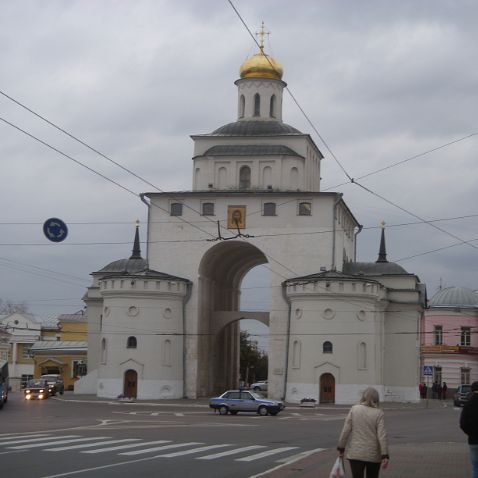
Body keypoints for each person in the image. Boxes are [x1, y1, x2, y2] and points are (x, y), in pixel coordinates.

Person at [337, 387, 389, 478]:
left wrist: (341, 448)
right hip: (373, 454)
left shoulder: (354, 409)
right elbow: (382, 435)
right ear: (376, 399)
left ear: (363, 397)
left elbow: (346, 430)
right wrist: (385, 455)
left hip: (356, 453)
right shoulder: (379, 413)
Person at [460, 381, 478, 478]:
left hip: (473, 441)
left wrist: (470, 433)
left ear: (472, 390)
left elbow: (463, 424)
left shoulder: (468, 404)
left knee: (475, 467)